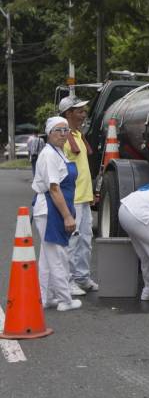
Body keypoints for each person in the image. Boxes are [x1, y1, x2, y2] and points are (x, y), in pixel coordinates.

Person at [32, 117, 81, 311]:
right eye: (58, 130)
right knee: (57, 255)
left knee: (46, 256)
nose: (63, 134)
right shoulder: (49, 155)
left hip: (52, 208)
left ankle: (46, 297)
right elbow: (54, 189)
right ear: (49, 133)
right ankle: (65, 299)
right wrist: (67, 215)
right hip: (51, 209)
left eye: (65, 130)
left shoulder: (58, 152)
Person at [60, 96, 99, 297]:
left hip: (83, 197)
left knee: (85, 240)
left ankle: (82, 278)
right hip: (72, 198)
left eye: (84, 111)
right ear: (68, 113)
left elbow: (83, 168)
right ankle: (68, 281)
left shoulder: (77, 135)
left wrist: (91, 193)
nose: (84, 115)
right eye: (80, 111)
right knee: (72, 241)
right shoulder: (63, 137)